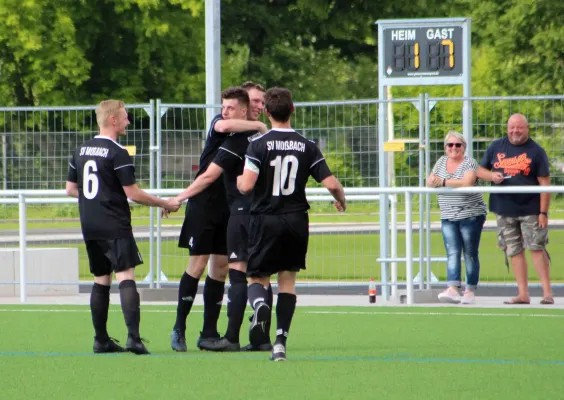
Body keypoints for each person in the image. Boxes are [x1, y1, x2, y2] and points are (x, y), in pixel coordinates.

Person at [237, 87, 347, 361]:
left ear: (266, 111)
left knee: (256, 277)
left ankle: (260, 304)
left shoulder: (258, 145)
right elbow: (332, 183)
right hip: (296, 220)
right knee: (287, 281)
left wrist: (239, 181)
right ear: (293, 110)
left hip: (265, 218)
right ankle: (280, 343)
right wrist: (340, 200)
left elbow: (247, 185)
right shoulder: (307, 145)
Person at [66, 100, 181, 355]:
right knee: (126, 276)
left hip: (90, 223)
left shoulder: (81, 150)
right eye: (126, 117)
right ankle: (134, 338)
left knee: (100, 280)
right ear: (114, 120)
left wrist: (93, 199)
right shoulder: (119, 153)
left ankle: (101, 339)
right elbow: (134, 193)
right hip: (114, 223)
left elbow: (70, 189)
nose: (129, 121)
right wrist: (165, 203)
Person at [170, 87, 268, 352]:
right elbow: (224, 128)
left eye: (262, 102)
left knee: (222, 268)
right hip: (203, 202)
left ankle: (210, 332)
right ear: (246, 105)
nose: (260, 105)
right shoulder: (222, 124)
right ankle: (179, 327)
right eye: (255, 100)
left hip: (230, 207)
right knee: (198, 263)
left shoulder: (254, 139)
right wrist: (179, 198)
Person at [477, 113, 553, 305]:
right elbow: (479, 170)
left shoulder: (536, 151)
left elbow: (545, 184)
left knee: (536, 248)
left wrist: (543, 213)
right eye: (512, 127)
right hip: (504, 209)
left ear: (526, 128)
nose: (515, 131)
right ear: (507, 128)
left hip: (530, 209)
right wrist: (491, 176)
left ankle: (547, 293)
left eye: (519, 127)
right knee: (514, 251)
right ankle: (523, 294)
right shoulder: (496, 146)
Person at [427, 131, 488, 305]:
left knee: (469, 253)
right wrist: (435, 181)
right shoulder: (440, 162)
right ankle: (453, 288)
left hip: (471, 214)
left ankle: (469, 290)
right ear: (445, 147)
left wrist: (443, 182)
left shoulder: (469, 162)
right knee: (452, 252)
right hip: (448, 215)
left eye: (457, 145)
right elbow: (430, 181)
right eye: (450, 145)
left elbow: (467, 181)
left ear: (463, 147)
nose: (454, 148)